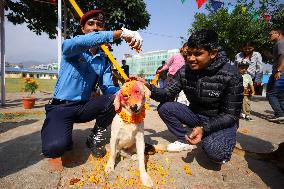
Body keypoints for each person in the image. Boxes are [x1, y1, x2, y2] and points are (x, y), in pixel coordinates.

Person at [41, 9, 143, 170]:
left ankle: (95, 136)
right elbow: (85, 41)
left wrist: (126, 90)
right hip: (60, 107)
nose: (95, 27)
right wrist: (121, 33)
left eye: (100, 25)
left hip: (83, 107)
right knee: (55, 148)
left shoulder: (103, 60)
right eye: (91, 24)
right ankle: (61, 131)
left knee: (112, 98)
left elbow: (109, 88)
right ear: (83, 29)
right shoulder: (72, 46)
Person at [137, 29, 243, 164]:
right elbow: (168, 93)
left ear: (213, 54)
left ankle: (207, 137)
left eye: (198, 54)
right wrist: (149, 87)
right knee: (165, 108)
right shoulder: (184, 70)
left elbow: (231, 116)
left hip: (221, 122)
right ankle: (186, 138)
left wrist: (205, 130)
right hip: (196, 116)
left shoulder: (231, 75)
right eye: (189, 54)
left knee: (216, 152)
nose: (191, 59)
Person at [267, 28, 284, 122]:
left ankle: (279, 114)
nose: (269, 36)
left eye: (271, 34)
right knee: (281, 95)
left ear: (278, 33)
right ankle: (282, 114)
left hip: (280, 73)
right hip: (282, 73)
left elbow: (283, 56)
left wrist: (279, 70)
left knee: (270, 93)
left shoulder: (280, 43)